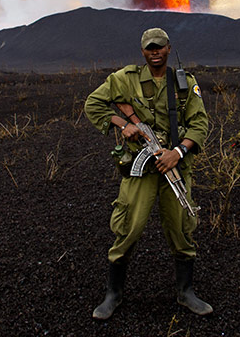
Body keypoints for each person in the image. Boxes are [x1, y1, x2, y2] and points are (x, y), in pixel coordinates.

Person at [84, 27, 213, 319]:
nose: (155, 51)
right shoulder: (124, 80)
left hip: (174, 167)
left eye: (160, 47)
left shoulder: (184, 84)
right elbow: (93, 104)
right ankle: (113, 294)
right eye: (149, 48)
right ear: (142, 52)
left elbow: (200, 124)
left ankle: (186, 292)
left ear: (168, 48)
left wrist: (177, 153)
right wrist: (123, 124)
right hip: (139, 171)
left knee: (182, 227)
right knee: (128, 227)